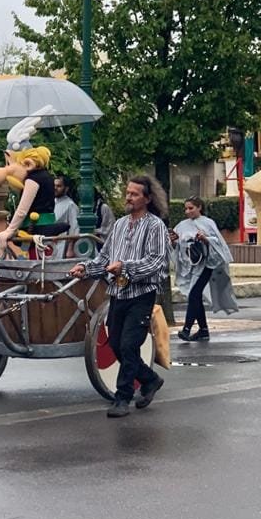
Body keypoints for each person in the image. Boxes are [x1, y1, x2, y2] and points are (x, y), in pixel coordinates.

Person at [71, 175, 171, 418]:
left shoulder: (155, 225)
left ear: (147, 199)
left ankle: (122, 396)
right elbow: (104, 259)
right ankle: (150, 379)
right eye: (127, 192)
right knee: (115, 344)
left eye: (135, 194)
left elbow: (157, 262)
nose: (128, 197)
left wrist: (125, 267)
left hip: (142, 294)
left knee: (129, 345)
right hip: (117, 293)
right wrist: (85, 269)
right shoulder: (119, 225)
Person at [170, 196, 238, 341]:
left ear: (199, 207)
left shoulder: (208, 223)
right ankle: (203, 329)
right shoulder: (182, 225)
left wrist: (205, 239)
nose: (187, 211)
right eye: (186, 208)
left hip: (207, 264)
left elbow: (218, 243)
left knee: (194, 294)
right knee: (195, 295)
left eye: (191, 208)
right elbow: (178, 247)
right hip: (192, 265)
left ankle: (187, 329)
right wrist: (174, 241)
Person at [0, 145, 68, 256]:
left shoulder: (33, 179)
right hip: (45, 225)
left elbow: (22, 209)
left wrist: (10, 230)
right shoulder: (47, 176)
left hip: (36, 228)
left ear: (28, 164)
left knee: (36, 262)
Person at [53, 174, 80, 258]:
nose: (55, 188)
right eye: (54, 185)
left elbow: (74, 228)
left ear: (66, 188)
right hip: (49, 243)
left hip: (62, 245)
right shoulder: (51, 201)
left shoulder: (71, 205)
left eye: (59, 186)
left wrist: (70, 248)